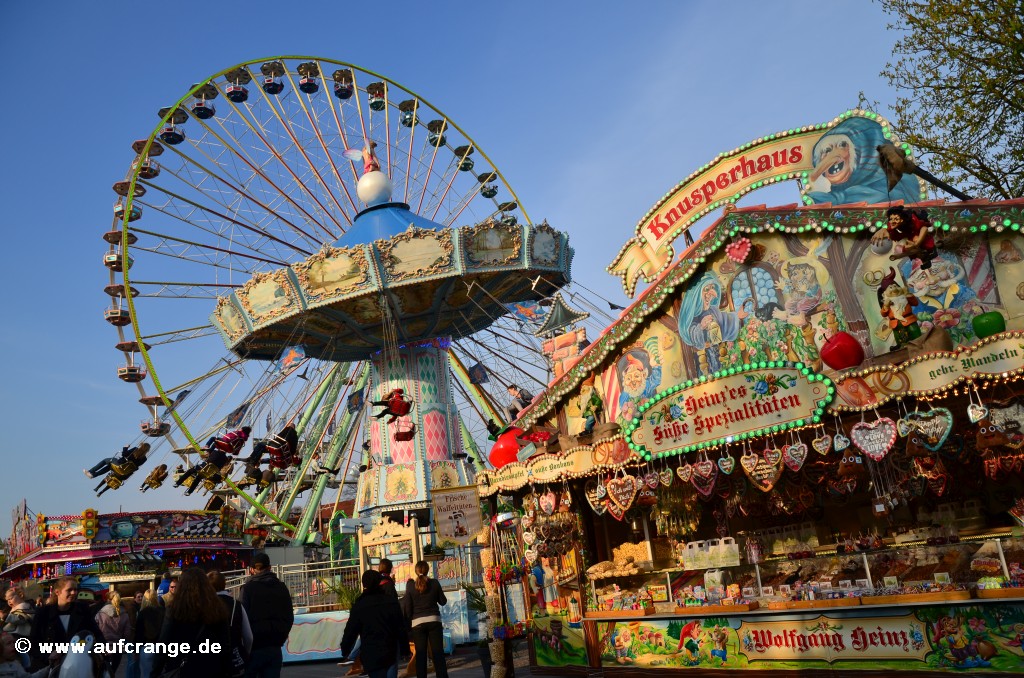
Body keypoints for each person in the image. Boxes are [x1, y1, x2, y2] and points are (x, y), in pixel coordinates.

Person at [151, 568, 232, 678]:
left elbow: (164, 644)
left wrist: (155, 672)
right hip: (212, 668)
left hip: (182, 668)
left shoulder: (175, 609)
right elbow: (225, 644)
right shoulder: (217, 608)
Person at [28, 576, 105, 672]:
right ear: (57, 592)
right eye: (69, 590)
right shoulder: (43, 613)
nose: (73, 593)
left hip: (77, 664)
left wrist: (104, 647)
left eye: (75, 590)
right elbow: (33, 643)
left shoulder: (82, 610)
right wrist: (48, 656)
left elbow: (96, 633)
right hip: (49, 666)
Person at [341, 571, 407, 678]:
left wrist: (345, 649)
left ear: (364, 584)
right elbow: (400, 627)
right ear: (379, 582)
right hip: (390, 650)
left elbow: (351, 630)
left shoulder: (360, 605)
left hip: (371, 653)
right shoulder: (390, 602)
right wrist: (405, 649)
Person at [240, 553, 294, 678]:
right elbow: (289, 616)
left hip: (254, 647)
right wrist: (281, 637)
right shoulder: (281, 587)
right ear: (270, 568)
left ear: (251, 570)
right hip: (275, 645)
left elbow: (243, 618)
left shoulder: (247, 589)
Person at [401, 561, 448, 678]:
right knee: (438, 653)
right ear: (428, 570)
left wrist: (409, 624)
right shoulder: (434, 583)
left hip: (417, 623)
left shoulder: (410, 586)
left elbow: (408, 608)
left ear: (416, 571)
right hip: (434, 620)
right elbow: (443, 601)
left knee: (421, 655)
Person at [209, 571, 252, 678]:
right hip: (234, 657)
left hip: (210, 660)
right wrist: (244, 653)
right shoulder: (236, 604)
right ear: (224, 584)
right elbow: (248, 636)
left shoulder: (204, 605)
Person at [94, 592, 131, 673]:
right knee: (113, 671)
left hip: (103, 647)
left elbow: (95, 630)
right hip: (117, 647)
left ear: (108, 599)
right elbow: (127, 633)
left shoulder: (100, 613)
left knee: (102, 671)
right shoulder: (124, 614)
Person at [3, 587, 34, 670]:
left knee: (22, 651)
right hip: (15, 634)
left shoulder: (24, 607)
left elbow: (20, 619)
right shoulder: (15, 608)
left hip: (21, 634)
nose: (9, 601)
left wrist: (6, 617)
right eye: (7, 600)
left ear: (20, 595)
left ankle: (27, 664)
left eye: (11, 598)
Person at [135, 589, 164, 678]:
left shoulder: (142, 613)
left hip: (147, 646)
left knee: (145, 674)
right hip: (161, 646)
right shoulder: (163, 611)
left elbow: (139, 633)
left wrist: (136, 650)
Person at [84, 443, 150, 479]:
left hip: (119, 464)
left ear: (142, 446)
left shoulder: (135, 449)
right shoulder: (144, 459)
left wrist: (125, 447)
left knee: (105, 460)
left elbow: (124, 454)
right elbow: (136, 467)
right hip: (124, 471)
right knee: (109, 467)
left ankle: (91, 471)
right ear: (147, 450)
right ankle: (93, 475)